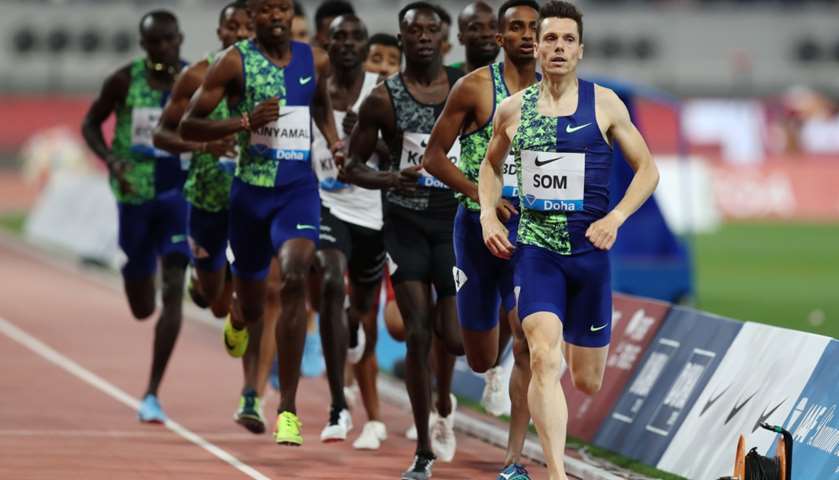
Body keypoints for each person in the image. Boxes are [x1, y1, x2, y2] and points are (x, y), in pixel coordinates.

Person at [478, 2, 660, 478]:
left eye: (567, 40)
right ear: (535, 48)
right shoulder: (512, 109)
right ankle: (556, 472)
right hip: (536, 252)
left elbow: (648, 170)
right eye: (550, 39)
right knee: (542, 356)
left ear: (581, 50)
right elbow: (489, 167)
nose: (558, 48)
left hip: (590, 254)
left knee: (587, 380)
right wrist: (487, 216)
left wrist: (616, 217)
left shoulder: (604, 104)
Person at [179, 0, 343, 447]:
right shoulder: (233, 62)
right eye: (266, 9)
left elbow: (322, 107)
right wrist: (245, 121)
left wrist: (335, 140)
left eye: (282, 8)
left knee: (293, 275)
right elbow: (190, 124)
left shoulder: (314, 58)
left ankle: (286, 409)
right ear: (252, 17)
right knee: (253, 306)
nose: (275, 16)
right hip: (250, 196)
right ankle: (237, 312)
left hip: (298, 193)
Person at [342, 3, 464, 478]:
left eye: (432, 30)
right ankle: (423, 452)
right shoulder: (383, 98)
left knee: (453, 338)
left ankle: (450, 391)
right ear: (402, 37)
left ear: (443, 37)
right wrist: (392, 178)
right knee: (416, 332)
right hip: (405, 226)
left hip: (453, 222)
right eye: (414, 30)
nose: (423, 37)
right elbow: (351, 166)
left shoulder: (463, 87)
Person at [423, 1, 539, 478]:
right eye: (518, 27)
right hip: (475, 231)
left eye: (536, 27)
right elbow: (433, 158)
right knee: (478, 355)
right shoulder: (473, 88)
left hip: (532, 235)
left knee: (529, 340)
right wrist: (482, 195)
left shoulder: (558, 93)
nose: (529, 36)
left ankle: (513, 461)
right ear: (499, 38)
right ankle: (485, 360)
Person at [152, 1, 273, 434]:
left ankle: (251, 395)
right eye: (230, 27)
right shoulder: (198, 74)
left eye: (246, 26)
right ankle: (221, 302)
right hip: (206, 199)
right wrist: (205, 147)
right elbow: (163, 135)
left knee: (256, 298)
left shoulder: (269, 76)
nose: (238, 33)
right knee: (218, 299)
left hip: (254, 199)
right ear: (220, 32)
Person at [81, 10, 189, 424]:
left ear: (179, 39)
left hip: (179, 196)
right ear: (144, 46)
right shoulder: (124, 81)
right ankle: (137, 270)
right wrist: (110, 159)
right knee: (143, 306)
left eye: (169, 40)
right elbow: (91, 123)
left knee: (175, 284)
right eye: (154, 42)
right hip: (135, 198)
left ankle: (152, 393)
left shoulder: (195, 80)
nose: (163, 48)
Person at [309, 14, 388, 446]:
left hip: (372, 213)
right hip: (326, 204)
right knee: (328, 286)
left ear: (364, 46)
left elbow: (398, 149)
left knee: (360, 309)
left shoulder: (381, 89)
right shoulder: (312, 89)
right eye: (339, 36)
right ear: (326, 41)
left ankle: (355, 326)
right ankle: (338, 404)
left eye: (356, 37)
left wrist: (368, 140)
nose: (347, 43)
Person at [449, 1, 500, 74]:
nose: (487, 34)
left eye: (493, 27)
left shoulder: (513, 78)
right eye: (476, 28)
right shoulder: (447, 77)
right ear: (461, 38)